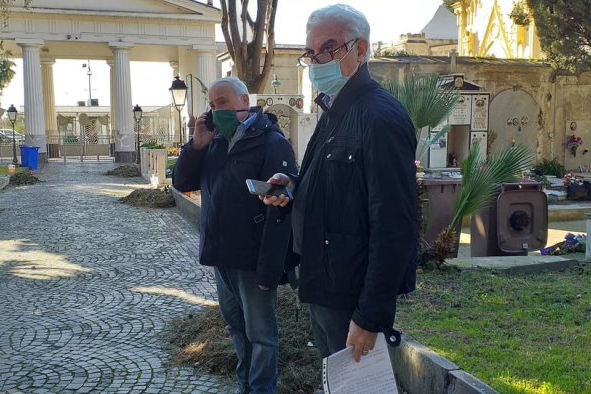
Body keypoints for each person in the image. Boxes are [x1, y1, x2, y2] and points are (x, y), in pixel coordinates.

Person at [263, 4, 418, 364]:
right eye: (311, 53)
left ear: (360, 50)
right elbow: (338, 187)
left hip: (351, 291)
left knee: (357, 385)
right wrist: (293, 185)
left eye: (329, 49)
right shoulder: (335, 110)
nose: (318, 61)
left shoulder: (379, 118)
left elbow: (395, 224)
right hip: (323, 279)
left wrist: (369, 316)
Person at [173, 77, 297, 394]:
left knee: (261, 335)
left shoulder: (271, 142)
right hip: (220, 254)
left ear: (244, 101)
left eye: (223, 103)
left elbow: (281, 209)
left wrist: (271, 268)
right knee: (237, 329)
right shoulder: (212, 142)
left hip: (253, 258)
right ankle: (246, 386)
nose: (217, 110)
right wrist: (195, 145)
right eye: (212, 105)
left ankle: (261, 390)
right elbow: (183, 181)